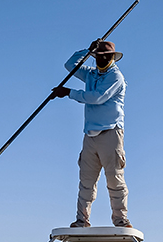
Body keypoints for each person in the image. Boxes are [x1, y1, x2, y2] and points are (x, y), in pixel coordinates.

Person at [52, 39, 133, 229]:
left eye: (105, 57)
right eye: (98, 56)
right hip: (90, 135)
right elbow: (70, 65)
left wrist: (69, 92)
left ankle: (121, 220)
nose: (101, 59)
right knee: (86, 181)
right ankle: (82, 220)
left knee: (115, 179)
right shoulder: (91, 73)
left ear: (112, 57)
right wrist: (87, 51)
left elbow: (97, 98)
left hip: (111, 133)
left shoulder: (116, 77)